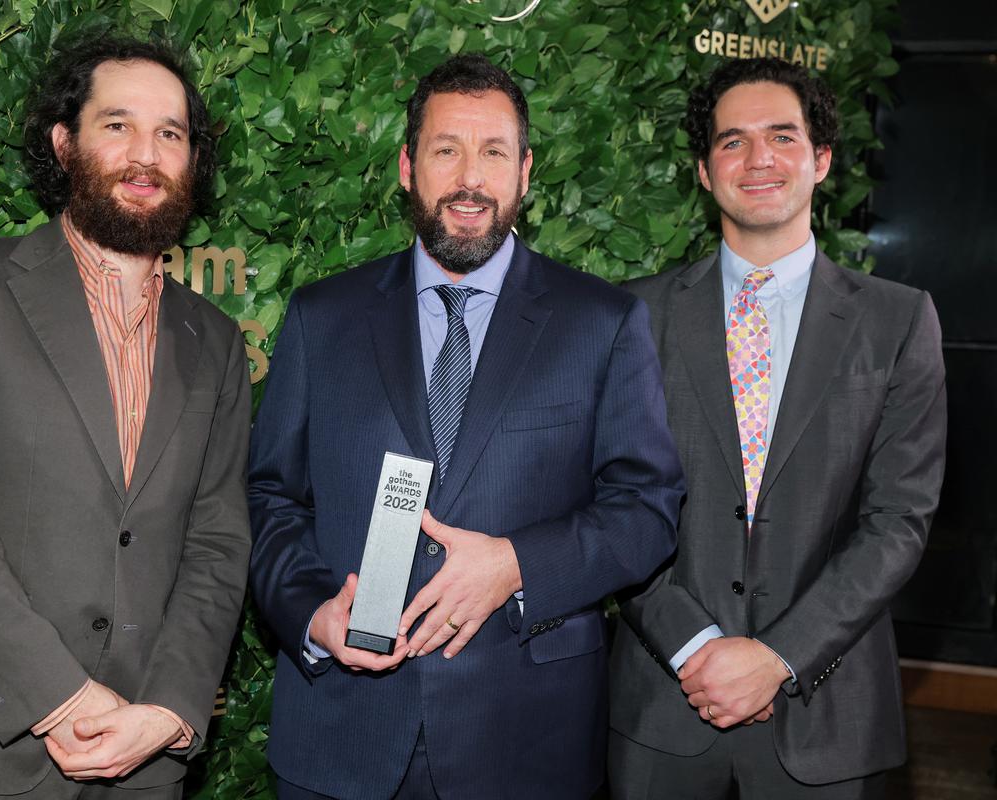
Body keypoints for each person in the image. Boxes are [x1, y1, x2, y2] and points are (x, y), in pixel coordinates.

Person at [248, 53, 683, 800]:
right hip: (341, 739)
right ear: (407, 166)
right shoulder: (323, 318)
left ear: (525, 171)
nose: (470, 178)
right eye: (447, 150)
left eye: (494, 152)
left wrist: (518, 564)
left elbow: (646, 511)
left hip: (524, 742)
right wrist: (313, 612)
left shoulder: (603, 323)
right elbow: (270, 499)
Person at [0, 38, 252, 799]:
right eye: (117, 125)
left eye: (170, 133)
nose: (146, 154)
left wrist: (170, 711)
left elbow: (217, 544)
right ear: (63, 143)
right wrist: (61, 697)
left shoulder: (216, 340)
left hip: (143, 762)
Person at [609, 57, 947, 799]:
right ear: (704, 171)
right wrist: (697, 646)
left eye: (782, 136)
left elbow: (899, 522)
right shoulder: (633, 316)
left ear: (820, 159)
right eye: (732, 141)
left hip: (828, 716)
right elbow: (613, 506)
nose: (758, 158)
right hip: (664, 710)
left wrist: (777, 656)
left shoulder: (897, 320)